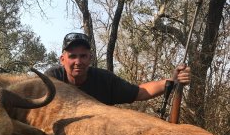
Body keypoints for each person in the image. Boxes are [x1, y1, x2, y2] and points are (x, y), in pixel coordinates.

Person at [45, 32, 190, 105]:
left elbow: (140, 92)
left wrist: (172, 81)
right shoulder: (51, 78)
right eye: (72, 56)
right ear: (62, 59)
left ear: (90, 58)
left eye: (83, 56)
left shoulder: (104, 80)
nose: (78, 61)